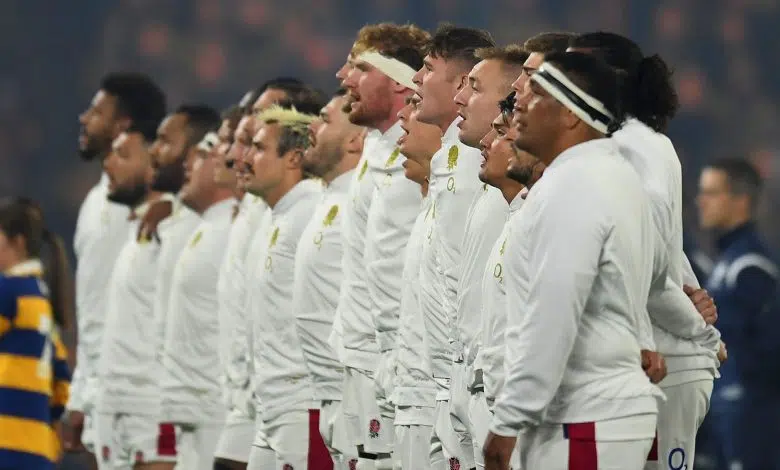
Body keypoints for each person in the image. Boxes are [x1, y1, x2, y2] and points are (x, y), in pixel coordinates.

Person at [483, 52, 664, 470]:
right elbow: (653, 278)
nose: (520, 103)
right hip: (599, 413)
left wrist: (509, 420)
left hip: (583, 416)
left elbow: (554, 312)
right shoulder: (616, 175)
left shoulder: (574, 184)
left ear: (572, 116)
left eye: (537, 94)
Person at [569, 32, 723, 470]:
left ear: (610, 81)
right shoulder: (606, 145)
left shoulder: (636, 147)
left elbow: (651, 261)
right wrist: (693, 291)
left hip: (666, 359)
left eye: (574, 71)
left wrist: (701, 333)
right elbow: (664, 248)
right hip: (635, 359)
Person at [339, 23, 429, 469]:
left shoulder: (425, 154)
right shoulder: (374, 145)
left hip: (406, 365)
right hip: (364, 359)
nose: (343, 76)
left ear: (397, 80)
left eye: (357, 66)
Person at [66, 73, 166, 469]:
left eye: (96, 111)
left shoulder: (160, 210)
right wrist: (81, 394)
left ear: (123, 126)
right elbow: (93, 311)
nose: (83, 119)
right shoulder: (95, 201)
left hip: (145, 399)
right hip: (104, 394)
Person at [411, 23, 496, 469]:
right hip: (447, 382)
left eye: (427, 68)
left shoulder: (470, 160)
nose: (416, 80)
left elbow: (469, 278)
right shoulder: (450, 157)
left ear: (460, 82)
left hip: (465, 380)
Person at [450, 44, 527, 468]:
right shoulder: (490, 190)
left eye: (473, 87)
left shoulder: (547, 203)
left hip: (510, 403)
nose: (462, 97)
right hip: (471, 388)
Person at [240, 106, 329, 469]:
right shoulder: (275, 216)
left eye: (258, 148)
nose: (245, 159)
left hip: (301, 403)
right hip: (271, 401)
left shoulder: (311, 212)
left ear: (293, 158)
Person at [94, 129, 181, 470]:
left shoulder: (171, 226)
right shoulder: (139, 229)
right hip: (114, 402)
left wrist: (172, 207)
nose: (108, 163)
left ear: (151, 167)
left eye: (123, 155)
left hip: (150, 404)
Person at [292, 89, 366, 469]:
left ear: (356, 139)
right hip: (324, 400)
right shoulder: (326, 198)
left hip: (353, 399)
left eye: (323, 119)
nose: (311, 128)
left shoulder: (359, 201)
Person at [469, 94, 541, 470]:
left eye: (499, 132)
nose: (486, 142)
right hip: (491, 404)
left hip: (524, 418)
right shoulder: (515, 216)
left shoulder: (545, 215)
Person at [159, 117, 233, 470]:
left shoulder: (236, 228)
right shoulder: (201, 227)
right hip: (188, 413)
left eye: (205, 152)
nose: (190, 162)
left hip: (217, 413)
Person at [697, 157, 780, 470]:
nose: (700, 201)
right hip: (726, 415)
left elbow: (765, 350)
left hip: (748, 421)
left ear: (740, 201)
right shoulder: (725, 263)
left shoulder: (751, 268)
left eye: (710, 193)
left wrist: (743, 398)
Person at [0, 197, 71, 469]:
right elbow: (62, 378)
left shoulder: (8, 291)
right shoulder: (39, 297)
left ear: (17, 241)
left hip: (6, 445)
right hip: (37, 448)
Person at [392, 93, 443, 470]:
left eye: (415, 104)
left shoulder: (467, 201)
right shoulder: (425, 207)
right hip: (407, 395)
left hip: (438, 398)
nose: (403, 119)